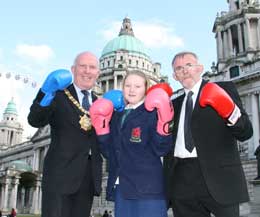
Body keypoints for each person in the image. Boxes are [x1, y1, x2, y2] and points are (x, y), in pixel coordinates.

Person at [163, 51, 253, 217]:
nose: (184, 70)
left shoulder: (224, 89)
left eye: (189, 65)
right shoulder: (172, 104)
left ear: (200, 68)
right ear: (175, 76)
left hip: (220, 178)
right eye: (179, 68)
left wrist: (230, 112)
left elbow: (245, 132)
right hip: (181, 178)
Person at [27, 51, 103, 217]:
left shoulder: (101, 103)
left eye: (92, 67)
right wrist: (46, 92)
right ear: (73, 69)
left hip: (88, 179)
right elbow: (35, 120)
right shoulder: (58, 94)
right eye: (83, 66)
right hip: (59, 176)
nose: (87, 71)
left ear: (98, 73)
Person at [90, 70, 174, 217]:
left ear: (146, 89)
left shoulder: (153, 112)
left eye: (137, 86)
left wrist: (164, 123)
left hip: (147, 189)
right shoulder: (116, 115)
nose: (132, 90)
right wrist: (101, 129)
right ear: (122, 88)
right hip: (121, 187)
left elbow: (162, 149)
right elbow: (109, 153)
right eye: (128, 85)